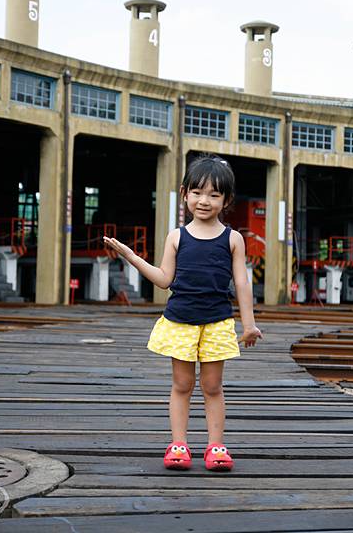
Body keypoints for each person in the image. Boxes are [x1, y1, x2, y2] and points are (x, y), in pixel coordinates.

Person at [103, 154, 263, 471]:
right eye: (197, 192)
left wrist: (249, 324)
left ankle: (216, 447)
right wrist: (131, 255)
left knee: (213, 387)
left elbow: (242, 283)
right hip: (181, 322)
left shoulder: (233, 239)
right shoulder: (177, 236)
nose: (204, 201)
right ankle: (179, 444)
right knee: (181, 385)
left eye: (214, 194)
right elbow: (164, 280)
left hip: (217, 322)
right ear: (185, 193)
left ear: (226, 200)